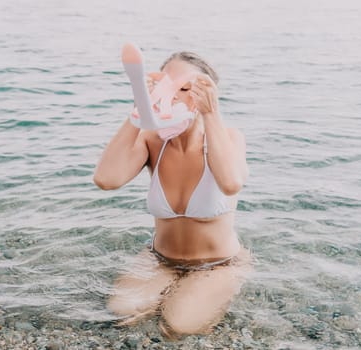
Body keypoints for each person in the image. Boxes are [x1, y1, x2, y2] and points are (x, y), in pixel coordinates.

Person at [93, 51, 250, 337]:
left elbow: (231, 183)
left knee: (177, 327)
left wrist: (210, 113)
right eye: (166, 87)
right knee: (123, 313)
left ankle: (205, 296)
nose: (173, 96)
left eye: (185, 88)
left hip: (217, 265)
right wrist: (141, 108)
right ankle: (178, 291)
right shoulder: (152, 141)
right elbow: (106, 179)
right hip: (160, 258)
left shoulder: (228, 137)